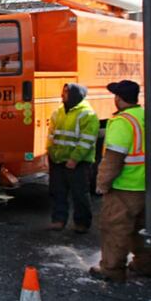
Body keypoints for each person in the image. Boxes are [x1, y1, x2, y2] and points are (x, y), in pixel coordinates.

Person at [90, 80, 151, 283]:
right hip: (145, 187)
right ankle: (145, 264)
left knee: (115, 228)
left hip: (125, 187)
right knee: (142, 228)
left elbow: (113, 159)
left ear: (119, 98)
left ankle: (112, 269)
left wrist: (102, 183)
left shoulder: (122, 122)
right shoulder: (144, 116)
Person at [46, 83, 99, 233]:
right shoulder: (59, 112)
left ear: (76, 95)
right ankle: (58, 220)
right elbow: (51, 134)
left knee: (80, 194)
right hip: (58, 160)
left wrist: (75, 159)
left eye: (66, 93)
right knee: (57, 192)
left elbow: (86, 140)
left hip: (78, 163)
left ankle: (82, 223)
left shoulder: (87, 114)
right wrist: (50, 152)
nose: (62, 95)